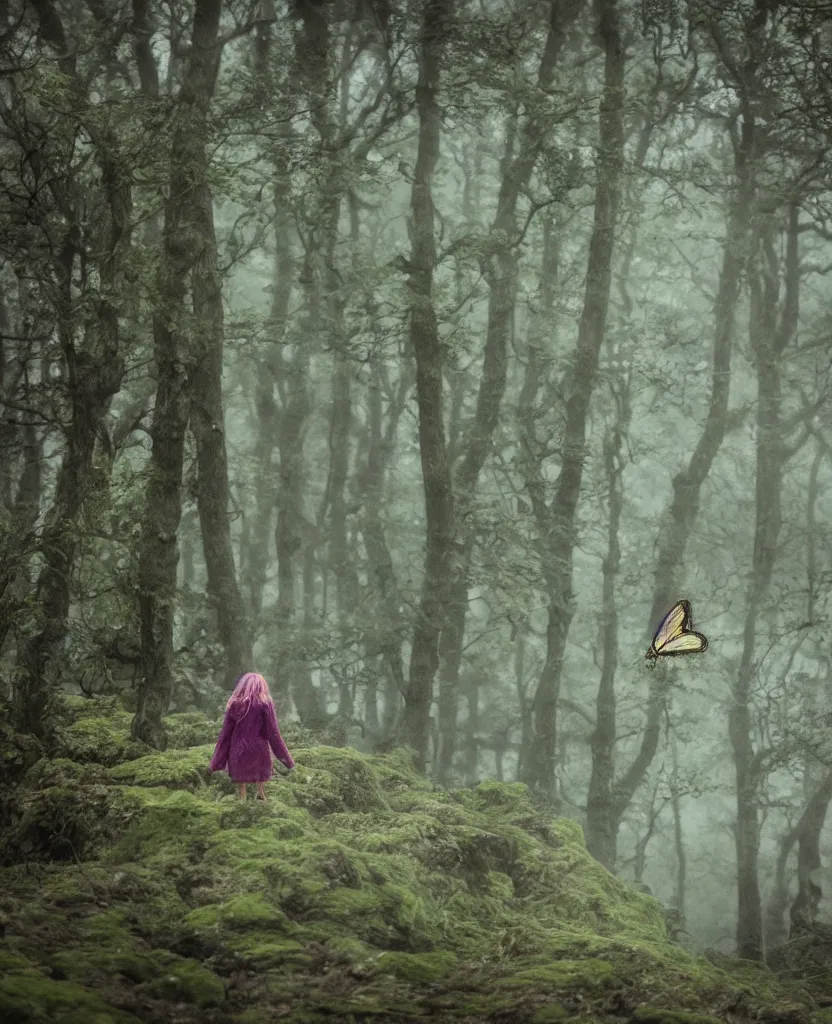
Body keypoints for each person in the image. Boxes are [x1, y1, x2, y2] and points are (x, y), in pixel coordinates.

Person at [208, 672, 295, 801]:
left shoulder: (234, 704)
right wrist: (288, 761)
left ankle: (243, 799)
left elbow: (225, 737)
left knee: (242, 783)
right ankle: (261, 794)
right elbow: (273, 734)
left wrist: (215, 764)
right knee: (260, 778)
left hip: (238, 752)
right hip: (259, 750)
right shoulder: (265, 704)